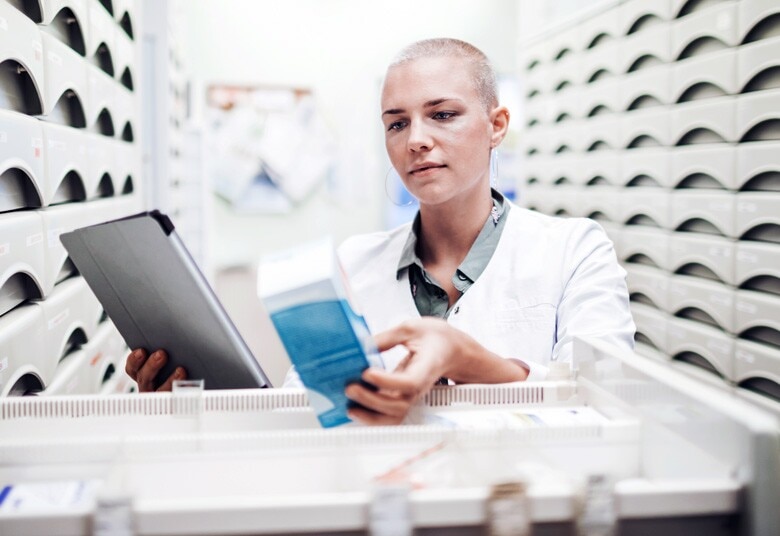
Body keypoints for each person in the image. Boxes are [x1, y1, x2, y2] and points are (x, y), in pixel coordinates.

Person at [125, 38, 635, 425]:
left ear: (497, 125)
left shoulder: (574, 249)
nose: (417, 140)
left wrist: (470, 360)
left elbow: (608, 403)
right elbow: (304, 410)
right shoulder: (354, 262)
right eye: (396, 123)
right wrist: (184, 407)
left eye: (442, 115)